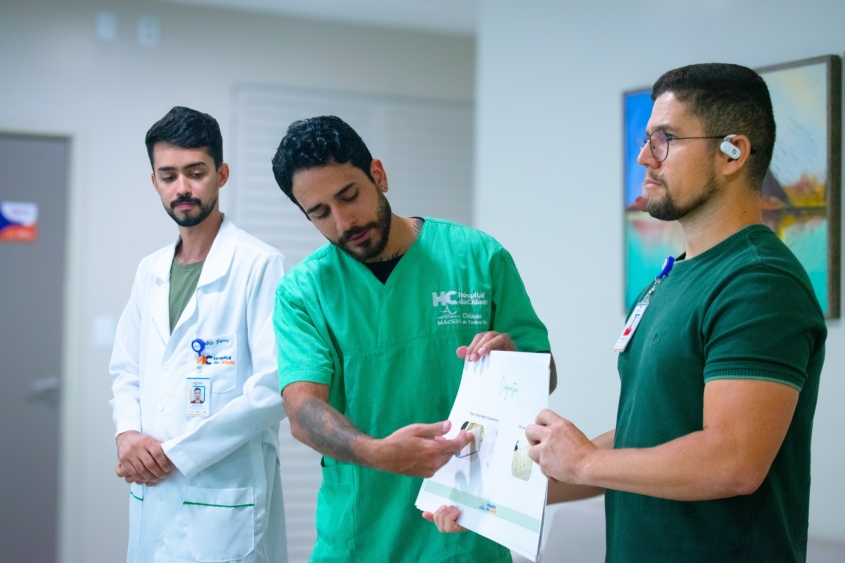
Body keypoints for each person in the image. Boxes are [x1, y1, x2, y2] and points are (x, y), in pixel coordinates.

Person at [523, 63, 826, 561]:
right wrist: (507, 488)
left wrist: (584, 464)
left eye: (664, 139)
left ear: (733, 153)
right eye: (646, 139)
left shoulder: (758, 281)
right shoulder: (668, 280)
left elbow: (732, 461)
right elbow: (653, 433)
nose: (644, 157)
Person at [270, 115, 556, 562]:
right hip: (360, 535)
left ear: (378, 175)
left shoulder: (477, 257)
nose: (344, 222)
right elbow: (303, 412)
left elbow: (544, 370)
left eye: (349, 196)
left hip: (463, 532)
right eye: (320, 213)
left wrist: (514, 357)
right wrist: (378, 453)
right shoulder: (303, 292)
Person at [109, 106, 288, 563]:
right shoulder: (149, 271)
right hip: (154, 494)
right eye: (168, 176)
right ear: (155, 182)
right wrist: (128, 435)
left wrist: (178, 453)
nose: (182, 188)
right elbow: (126, 369)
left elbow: (273, 388)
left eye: (195, 172)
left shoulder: (257, 264)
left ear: (221, 174)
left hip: (225, 497)